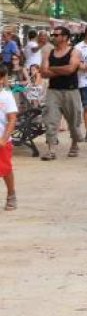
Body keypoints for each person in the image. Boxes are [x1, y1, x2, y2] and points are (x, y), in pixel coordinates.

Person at [38, 27, 84, 160]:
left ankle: (75, 144)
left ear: (65, 37)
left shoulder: (75, 52)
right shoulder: (49, 52)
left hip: (71, 90)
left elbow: (70, 69)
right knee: (50, 120)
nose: (53, 37)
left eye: (56, 35)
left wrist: (51, 68)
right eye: (53, 34)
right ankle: (51, 150)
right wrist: (59, 70)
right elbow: (43, 72)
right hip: (53, 91)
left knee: (74, 121)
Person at [1, 66, 17, 211]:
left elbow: (12, 119)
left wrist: (5, 138)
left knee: (5, 169)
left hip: (2, 140)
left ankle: (11, 193)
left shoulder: (6, 96)